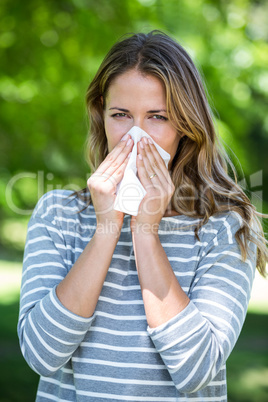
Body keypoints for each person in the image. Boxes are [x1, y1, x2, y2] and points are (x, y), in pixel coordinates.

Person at [18, 31, 267, 402]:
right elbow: (41, 355)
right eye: (121, 115)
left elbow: (196, 371)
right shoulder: (58, 214)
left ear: (185, 124)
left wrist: (145, 232)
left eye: (157, 117)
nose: (136, 136)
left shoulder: (225, 226)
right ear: (100, 112)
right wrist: (107, 228)